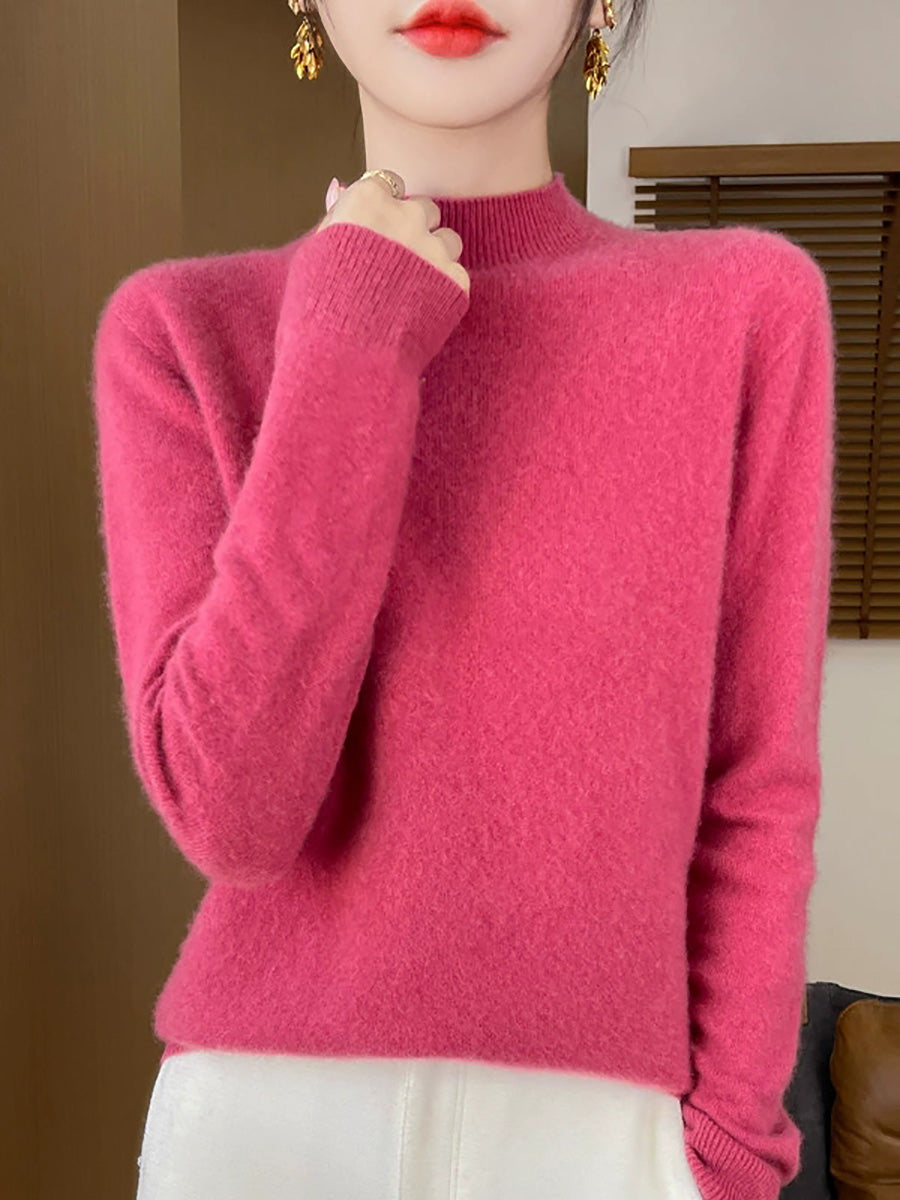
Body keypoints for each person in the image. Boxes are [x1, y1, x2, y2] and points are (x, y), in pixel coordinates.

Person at [89, 0, 836, 1197]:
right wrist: (351, 335)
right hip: (264, 1128)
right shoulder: (181, 331)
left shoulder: (744, 307)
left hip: (607, 1141)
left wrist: (731, 1152)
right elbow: (231, 815)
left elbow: (757, 780)